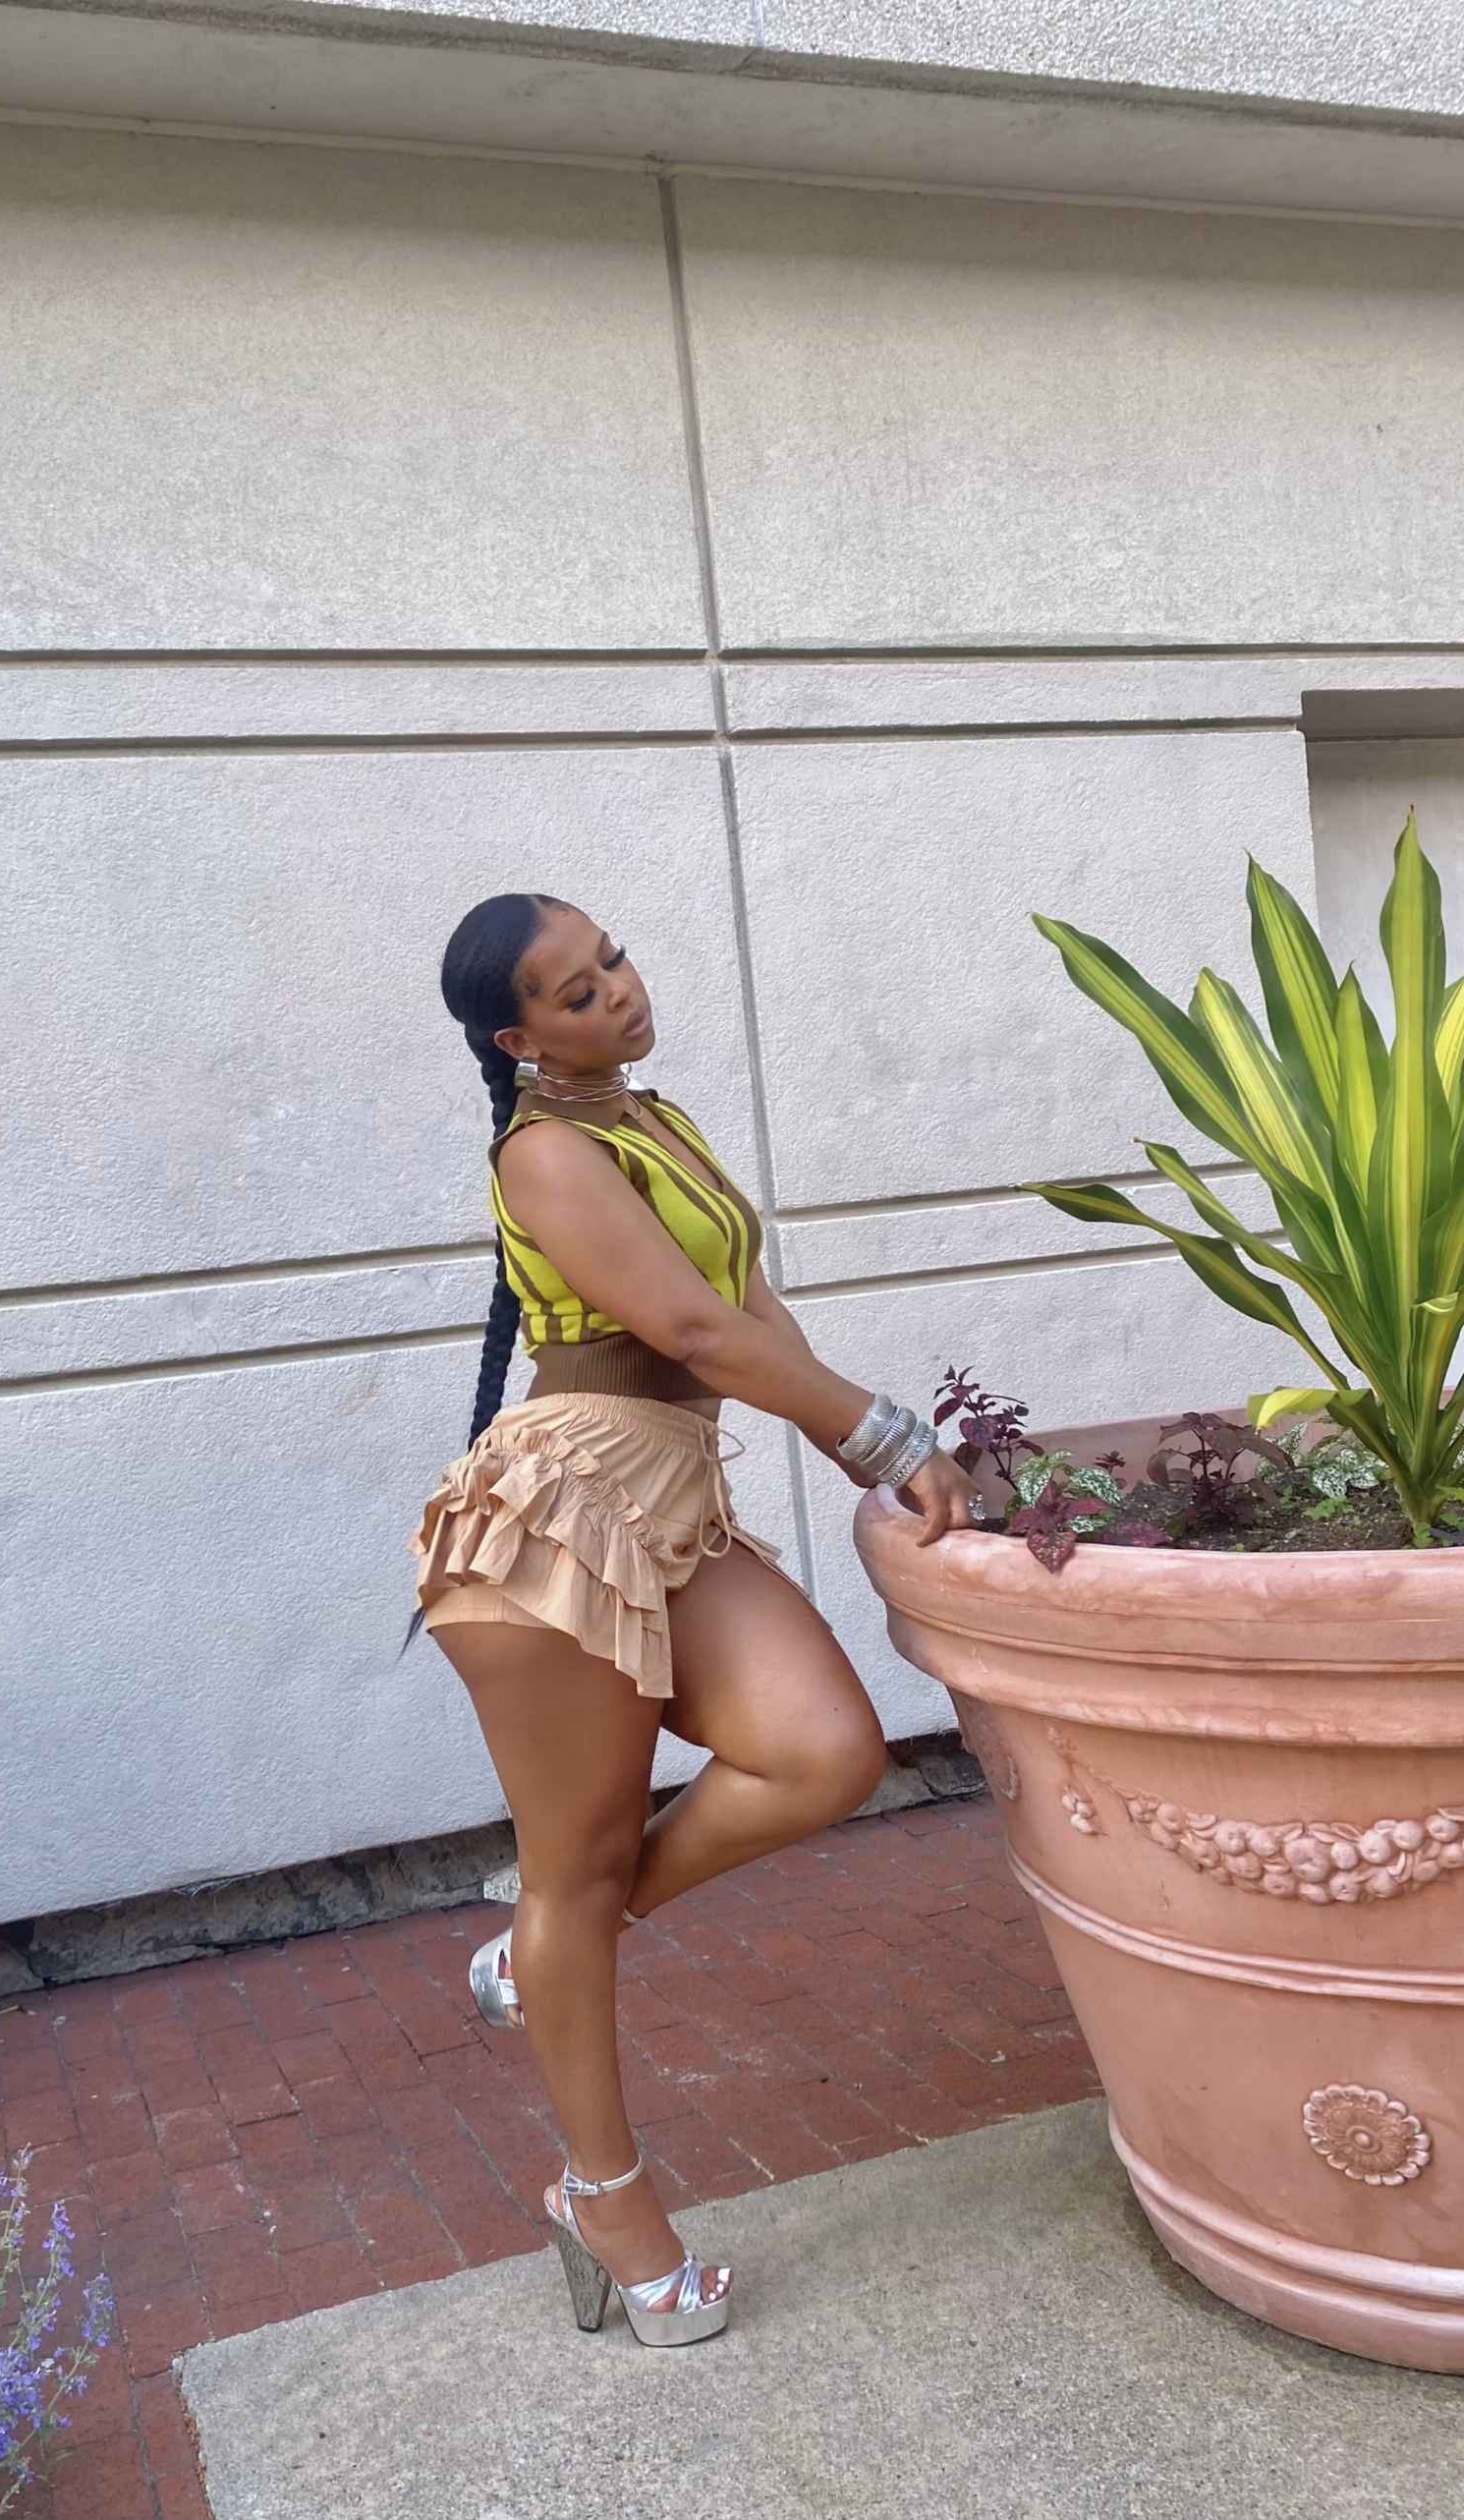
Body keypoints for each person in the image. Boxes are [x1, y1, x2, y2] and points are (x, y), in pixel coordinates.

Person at [411, 892, 982, 2348]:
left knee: (824, 1751)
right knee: (577, 1862)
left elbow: (752, 1312)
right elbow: (692, 1333)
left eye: (613, 959)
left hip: (669, 1500)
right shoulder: (545, 1152)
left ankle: (543, 1954)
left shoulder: (649, 1120)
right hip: (559, 1520)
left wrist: (867, 1438)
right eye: (575, 990)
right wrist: (880, 1435)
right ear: (517, 1039)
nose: (618, 989)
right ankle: (605, 2201)